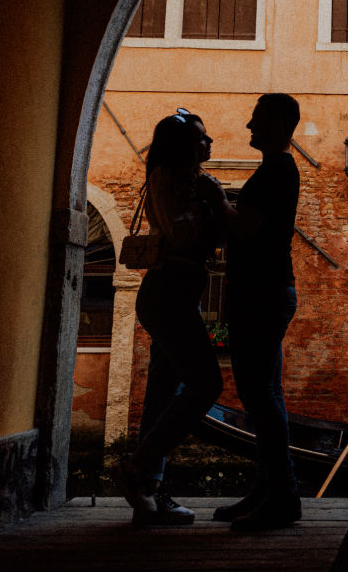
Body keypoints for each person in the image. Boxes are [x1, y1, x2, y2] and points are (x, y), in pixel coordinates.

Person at [117, 109, 226, 526]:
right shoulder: (166, 178)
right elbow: (183, 235)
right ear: (181, 146)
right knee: (207, 383)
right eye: (201, 137)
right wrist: (213, 201)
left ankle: (148, 491)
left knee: (162, 394)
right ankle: (137, 465)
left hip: (180, 294)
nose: (209, 142)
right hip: (167, 295)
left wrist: (210, 198)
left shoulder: (192, 183)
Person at [209, 93, 304, 531]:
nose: (248, 126)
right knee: (270, 396)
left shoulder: (277, 170)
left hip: (261, 295)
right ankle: (265, 492)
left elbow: (244, 226)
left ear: (279, 124)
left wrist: (215, 197)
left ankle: (282, 497)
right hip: (268, 292)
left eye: (257, 119)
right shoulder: (275, 171)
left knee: (259, 398)